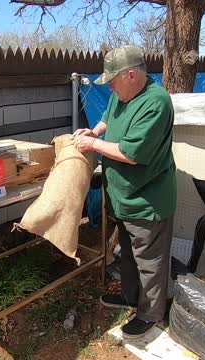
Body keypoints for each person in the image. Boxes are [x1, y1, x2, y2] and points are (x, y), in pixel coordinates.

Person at [73, 45, 177, 339]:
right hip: (124, 198)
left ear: (131, 75)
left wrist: (93, 146)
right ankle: (131, 298)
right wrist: (94, 132)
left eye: (113, 82)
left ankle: (151, 315)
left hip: (147, 200)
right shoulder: (123, 94)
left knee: (150, 263)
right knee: (128, 254)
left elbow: (132, 153)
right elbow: (108, 117)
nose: (112, 89)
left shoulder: (155, 103)